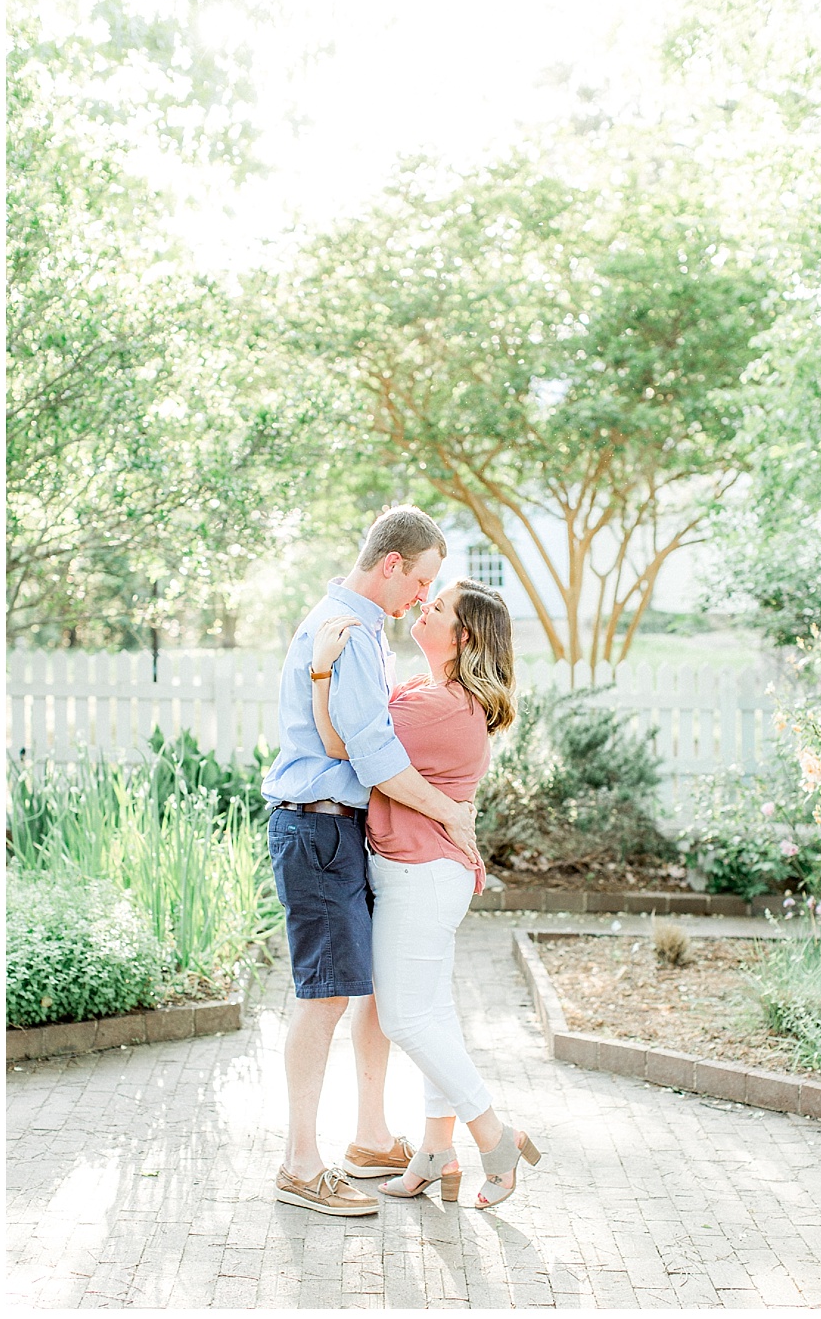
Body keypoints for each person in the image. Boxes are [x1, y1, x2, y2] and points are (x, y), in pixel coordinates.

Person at [263, 505, 483, 1217]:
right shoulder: (350, 631)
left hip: (336, 829)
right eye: (421, 580)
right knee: (322, 995)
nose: (423, 595)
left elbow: (353, 742)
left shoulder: (361, 629)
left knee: (366, 995)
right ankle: (300, 1165)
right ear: (393, 564)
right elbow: (372, 755)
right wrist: (451, 812)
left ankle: (366, 1139)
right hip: (318, 826)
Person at [309, 578, 543, 1209]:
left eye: (437, 607)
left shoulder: (438, 707)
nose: (423, 605)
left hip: (420, 875)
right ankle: (436, 1150)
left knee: (405, 1017)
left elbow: (342, 745)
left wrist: (321, 673)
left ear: (462, 636)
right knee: (431, 1013)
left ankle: (493, 1134)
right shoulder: (429, 693)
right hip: (420, 872)